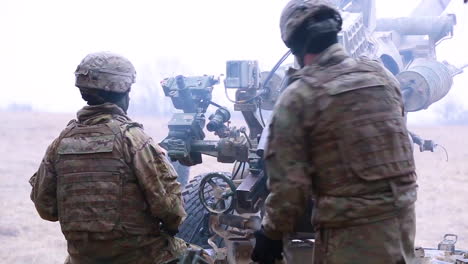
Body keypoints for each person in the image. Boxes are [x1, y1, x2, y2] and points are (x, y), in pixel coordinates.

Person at [251, 1, 418, 263]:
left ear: (295, 46)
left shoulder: (300, 96)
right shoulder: (382, 76)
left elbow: (289, 188)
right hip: (402, 227)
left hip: (351, 237)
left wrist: (270, 235)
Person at [29, 52, 189, 264]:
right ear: (125, 92)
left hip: (83, 258)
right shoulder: (133, 139)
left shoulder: (60, 143)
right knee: (206, 256)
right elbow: (170, 210)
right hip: (142, 256)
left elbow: (46, 208)